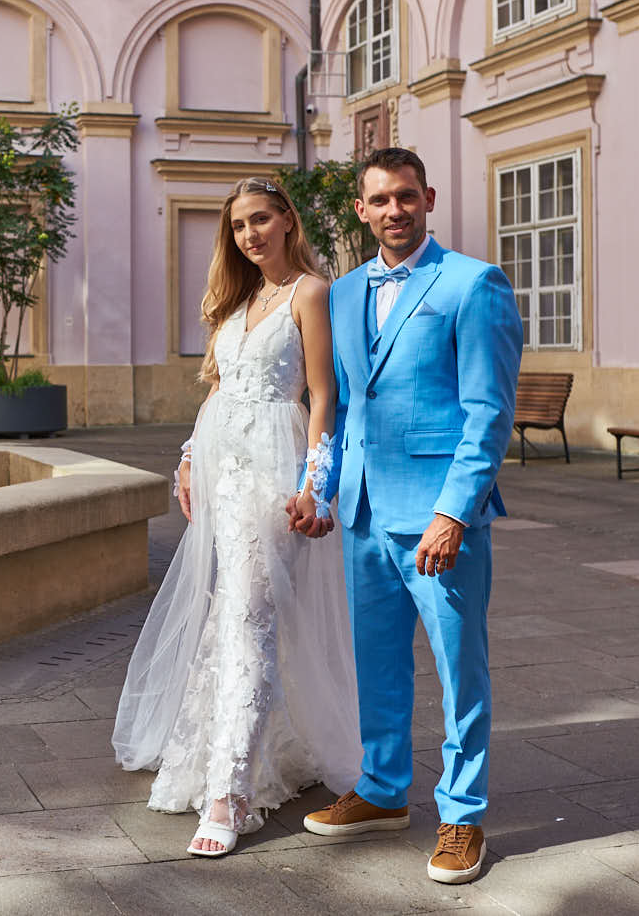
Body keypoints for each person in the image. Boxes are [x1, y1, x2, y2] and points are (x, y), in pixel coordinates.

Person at [288, 147, 521, 885]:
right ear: (362, 210)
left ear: (428, 199)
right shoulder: (343, 292)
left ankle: (463, 814)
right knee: (378, 664)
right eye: (381, 199)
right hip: (362, 511)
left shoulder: (472, 283)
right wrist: (318, 488)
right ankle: (384, 790)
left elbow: (488, 413)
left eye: (407, 196)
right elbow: (338, 405)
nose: (396, 210)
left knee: (459, 670)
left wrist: (454, 513)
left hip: (438, 520)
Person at [113, 177, 362, 858]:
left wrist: (317, 487)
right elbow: (217, 390)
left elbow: (323, 396)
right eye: (239, 225)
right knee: (232, 611)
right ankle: (259, 747)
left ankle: (229, 792)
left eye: (260, 219)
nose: (250, 234)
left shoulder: (311, 292)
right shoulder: (236, 300)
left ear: (287, 221)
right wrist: (188, 458)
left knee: (250, 615)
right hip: (222, 472)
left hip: (277, 471)